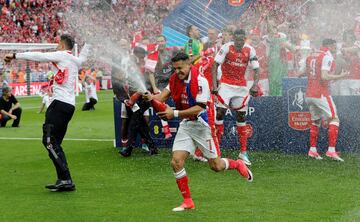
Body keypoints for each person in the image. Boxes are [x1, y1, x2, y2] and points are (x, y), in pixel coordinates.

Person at [144, 52, 252, 212]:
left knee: (216, 166)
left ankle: (237, 164)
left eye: (180, 68)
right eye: (175, 69)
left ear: (189, 64)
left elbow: (200, 108)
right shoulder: (174, 78)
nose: (177, 72)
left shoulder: (200, 80)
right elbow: (162, 96)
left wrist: (173, 113)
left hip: (203, 125)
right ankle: (188, 201)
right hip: (187, 124)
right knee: (176, 162)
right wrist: (151, 97)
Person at [4, 34, 90, 191]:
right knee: (54, 143)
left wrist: (15, 55)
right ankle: (63, 179)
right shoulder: (75, 60)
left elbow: (39, 56)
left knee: (49, 141)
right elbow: (83, 57)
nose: (56, 47)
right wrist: (90, 41)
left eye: (58, 44)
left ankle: (66, 179)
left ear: (63, 46)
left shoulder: (62, 55)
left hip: (59, 104)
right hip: (68, 106)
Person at [211, 29, 260, 166]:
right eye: (237, 39)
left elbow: (257, 69)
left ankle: (243, 152)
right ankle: (216, 150)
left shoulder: (250, 50)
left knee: (241, 116)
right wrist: (215, 85)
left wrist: (255, 85)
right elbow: (215, 65)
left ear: (245, 39)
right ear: (233, 38)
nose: (240, 42)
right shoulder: (226, 47)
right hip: (226, 84)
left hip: (241, 86)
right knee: (220, 113)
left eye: (242, 39)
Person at [305, 39, 348, 162]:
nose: (336, 48)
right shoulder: (326, 56)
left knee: (316, 121)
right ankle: (331, 150)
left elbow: (301, 73)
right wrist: (341, 76)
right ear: (328, 46)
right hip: (321, 93)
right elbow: (324, 76)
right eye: (334, 46)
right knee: (334, 119)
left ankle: (312, 150)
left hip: (309, 94)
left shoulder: (311, 55)